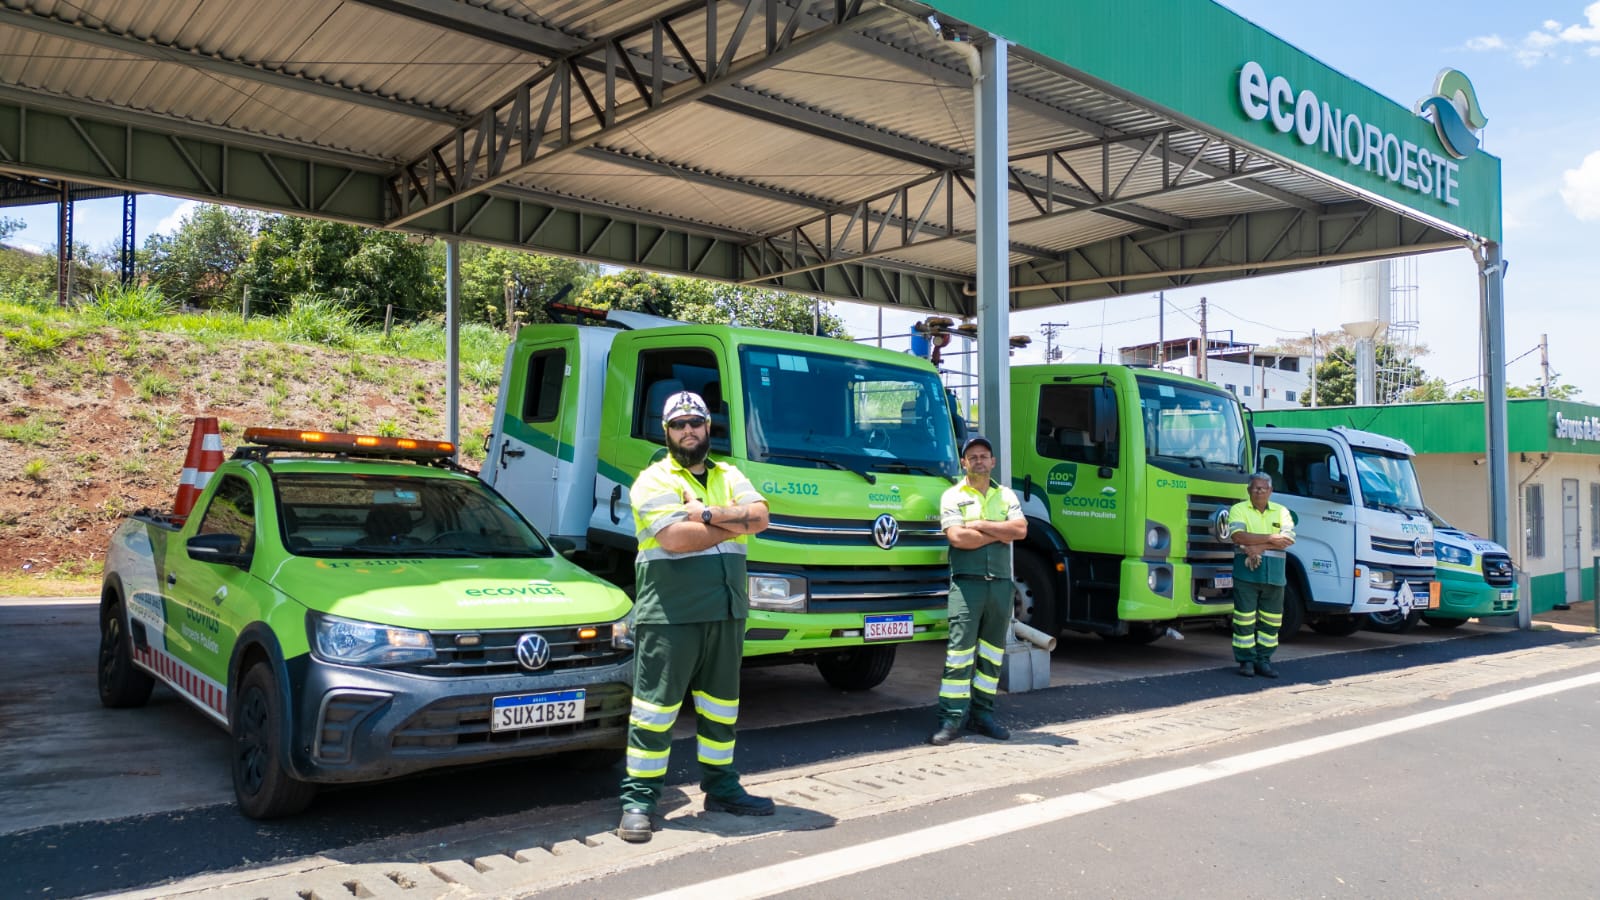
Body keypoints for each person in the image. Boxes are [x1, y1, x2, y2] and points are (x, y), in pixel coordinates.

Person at [617, 390, 772, 844]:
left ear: (708, 427)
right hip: (672, 612)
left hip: (725, 610)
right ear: (666, 432)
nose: (689, 430)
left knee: (721, 709)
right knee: (654, 712)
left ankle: (722, 789)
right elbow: (674, 540)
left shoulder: (729, 473)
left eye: (696, 422)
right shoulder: (652, 479)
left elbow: (761, 517)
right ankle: (639, 801)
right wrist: (731, 522)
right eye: (679, 424)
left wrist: (706, 513)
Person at [930, 435, 1028, 745]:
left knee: (991, 654)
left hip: (1000, 585)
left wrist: (980, 526)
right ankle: (951, 718)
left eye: (984, 455)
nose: (979, 461)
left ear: (993, 461)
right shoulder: (952, 495)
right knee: (959, 654)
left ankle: (983, 715)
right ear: (964, 463)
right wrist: (998, 533)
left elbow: (1021, 530)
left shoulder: (1006, 495)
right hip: (966, 584)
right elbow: (958, 539)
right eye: (972, 457)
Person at [1227, 472, 1296, 678]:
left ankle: (1264, 660)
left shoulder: (1282, 511)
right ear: (1249, 490)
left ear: (1271, 491)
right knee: (1244, 619)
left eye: (1263, 488)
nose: (1259, 491)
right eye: (1255, 488)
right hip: (1246, 573)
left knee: (1272, 621)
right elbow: (1238, 536)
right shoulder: (1238, 509)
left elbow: (1288, 539)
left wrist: (1258, 547)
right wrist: (1271, 538)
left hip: (1274, 575)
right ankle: (1246, 661)